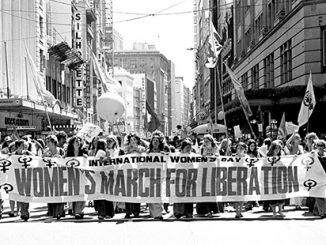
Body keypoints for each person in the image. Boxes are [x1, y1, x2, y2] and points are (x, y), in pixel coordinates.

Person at [196, 134, 220, 217]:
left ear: (211, 141)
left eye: (207, 141)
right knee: (204, 190)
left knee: (211, 190)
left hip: (212, 170)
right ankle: (205, 209)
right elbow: (199, 158)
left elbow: (218, 158)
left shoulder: (215, 148)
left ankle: (212, 209)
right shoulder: (202, 148)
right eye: (204, 141)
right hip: (203, 171)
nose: (205, 142)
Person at [43, 135, 65, 219]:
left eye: (48, 141)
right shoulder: (46, 152)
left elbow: (66, 160)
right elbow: (40, 161)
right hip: (49, 175)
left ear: (53, 142)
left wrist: (60, 158)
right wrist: (44, 156)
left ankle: (59, 212)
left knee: (60, 193)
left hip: (60, 175)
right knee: (50, 194)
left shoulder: (61, 151)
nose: (47, 143)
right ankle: (51, 212)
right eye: (46, 142)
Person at [147, 131, 168, 220]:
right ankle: (153, 212)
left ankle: (158, 213)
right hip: (150, 175)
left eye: (157, 141)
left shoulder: (163, 152)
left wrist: (166, 155)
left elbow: (169, 161)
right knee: (151, 195)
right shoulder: (148, 153)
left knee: (159, 194)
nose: (155, 142)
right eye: (154, 140)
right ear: (151, 142)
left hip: (160, 175)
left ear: (160, 143)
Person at [65, 136, 87, 219]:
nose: (78, 143)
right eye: (76, 141)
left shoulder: (84, 153)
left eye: (79, 141)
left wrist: (86, 158)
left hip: (81, 176)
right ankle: (75, 210)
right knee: (74, 193)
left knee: (82, 193)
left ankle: (79, 211)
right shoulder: (68, 154)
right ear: (72, 144)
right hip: (72, 177)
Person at [11, 139, 33, 221]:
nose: (24, 147)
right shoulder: (12, 156)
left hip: (26, 176)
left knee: (26, 195)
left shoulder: (28, 153)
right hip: (17, 178)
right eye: (22, 145)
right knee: (19, 195)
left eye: (24, 145)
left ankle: (26, 212)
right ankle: (22, 211)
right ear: (17, 147)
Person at [173, 139, 195, 219]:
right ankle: (178, 212)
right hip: (179, 178)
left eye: (190, 147)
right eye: (187, 147)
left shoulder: (193, 156)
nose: (188, 149)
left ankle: (189, 212)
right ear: (182, 148)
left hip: (189, 178)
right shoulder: (177, 156)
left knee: (189, 196)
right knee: (179, 196)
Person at [265, 140, 286, 217]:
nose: (277, 150)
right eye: (276, 148)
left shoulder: (282, 157)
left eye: (279, 149)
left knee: (280, 196)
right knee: (272, 196)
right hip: (271, 178)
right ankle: (274, 212)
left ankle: (280, 211)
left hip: (279, 178)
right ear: (272, 149)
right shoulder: (267, 157)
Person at [233, 142, 249, 219]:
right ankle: (237, 212)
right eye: (238, 148)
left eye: (242, 148)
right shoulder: (233, 157)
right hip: (235, 179)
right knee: (236, 197)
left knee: (242, 197)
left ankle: (240, 210)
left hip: (244, 179)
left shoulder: (247, 157)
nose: (240, 150)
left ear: (245, 149)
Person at [312, 140, 326, 218]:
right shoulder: (314, 155)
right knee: (318, 195)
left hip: (325, 177)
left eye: (322, 146)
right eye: (318, 146)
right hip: (317, 177)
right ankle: (322, 212)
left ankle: (319, 210)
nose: (320, 147)